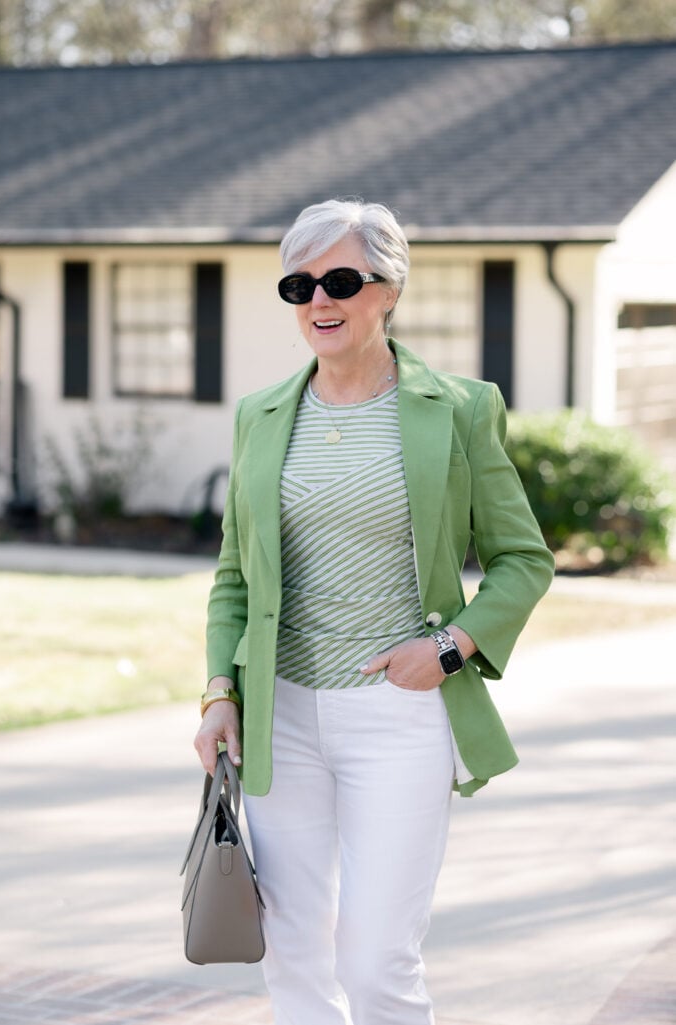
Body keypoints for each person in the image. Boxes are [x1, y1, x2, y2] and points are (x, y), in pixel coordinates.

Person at [194, 198, 555, 1025]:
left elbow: (522, 560)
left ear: (388, 289)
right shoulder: (261, 414)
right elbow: (232, 576)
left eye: (342, 279)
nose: (319, 300)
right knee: (292, 951)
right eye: (300, 283)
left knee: (374, 958)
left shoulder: (458, 408)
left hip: (400, 714)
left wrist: (450, 647)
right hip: (278, 714)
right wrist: (219, 689)